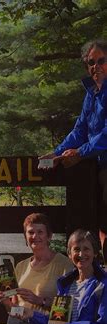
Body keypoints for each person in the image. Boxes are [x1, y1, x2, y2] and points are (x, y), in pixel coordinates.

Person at [38, 39, 107, 256]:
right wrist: (57, 153)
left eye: (101, 61)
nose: (96, 67)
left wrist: (79, 152)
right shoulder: (91, 93)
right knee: (96, 227)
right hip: (96, 169)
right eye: (91, 63)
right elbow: (80, 130)